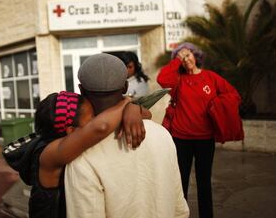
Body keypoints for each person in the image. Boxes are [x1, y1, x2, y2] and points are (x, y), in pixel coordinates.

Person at [64, 53, 189, 218]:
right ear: (124, 87)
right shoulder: (162, 136)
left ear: (81, 90)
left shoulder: (81, 154)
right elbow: (180, 209)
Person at [4, 91, 151, 218]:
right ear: (71, 131)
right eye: (93, 117)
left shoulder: (64, 142)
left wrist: (131, 109)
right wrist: (126, 102)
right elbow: (101, 126)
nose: (98, 118)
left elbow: (147, 114)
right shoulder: (49, 154)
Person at [157, 42, 241, 218]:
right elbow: (162, 79)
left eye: (188, 54)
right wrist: (175, 62)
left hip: (205, 138)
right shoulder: (178, 81)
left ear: (196, 56)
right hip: (181, 138)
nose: (186, 59)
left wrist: (216, 106)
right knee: (181, 182)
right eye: (181, 56)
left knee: (204, 182)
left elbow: (233, 94)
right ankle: (181, 215)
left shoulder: (211, 77)